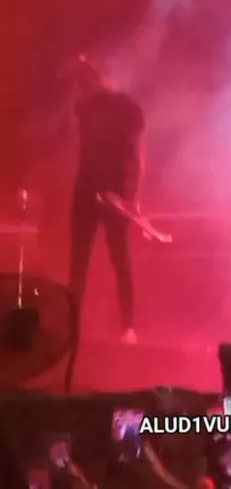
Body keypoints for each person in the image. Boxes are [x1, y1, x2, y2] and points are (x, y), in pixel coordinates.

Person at [69, 58, 145, 344]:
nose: (83, 86)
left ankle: (128, 326)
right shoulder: (84, 106)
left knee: (120, 260)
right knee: (79, 262)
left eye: (87, 80)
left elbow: (138, 152)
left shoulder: (127, 107)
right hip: (86, 190)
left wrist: (133, 195)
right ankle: (72, 326)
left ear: (104, 77)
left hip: (116, 193)